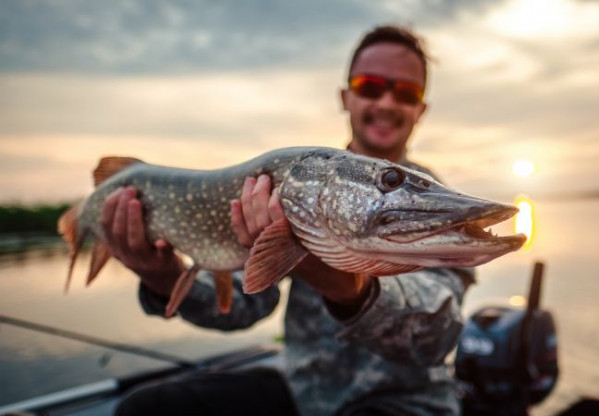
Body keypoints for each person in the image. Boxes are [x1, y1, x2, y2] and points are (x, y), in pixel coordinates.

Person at [110, 25, 475, 416]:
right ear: (346, 97)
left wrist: (350, 288)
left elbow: (436, 336)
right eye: (370, 86)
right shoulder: (299, 182)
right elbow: (243, 305)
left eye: (406, 93)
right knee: (146, 409)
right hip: (306, 395)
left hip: (406, 403)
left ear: (421, 110)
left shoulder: (437, 209)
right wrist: (164, 277)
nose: (387, 102)